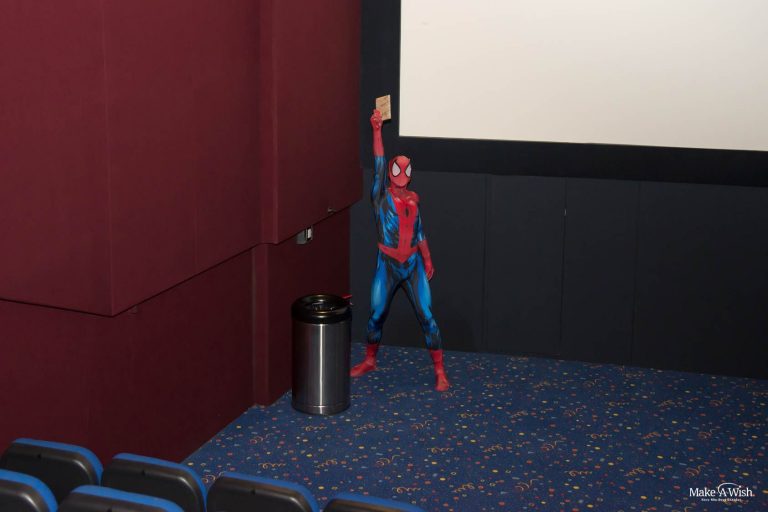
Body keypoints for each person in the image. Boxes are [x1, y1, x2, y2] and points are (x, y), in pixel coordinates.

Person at [350, 109, 450, 391]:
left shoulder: (414, 199)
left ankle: (440, 370)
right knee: (376, 315)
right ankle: (370, 360)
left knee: (427, 317)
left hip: (413, 265)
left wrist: (427, 259)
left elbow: (419, 231)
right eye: (397, 169)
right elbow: (379, 162)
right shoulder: (380, 197)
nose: (401, 174)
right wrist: (377, 131)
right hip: (388, 264)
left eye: (406, 169)